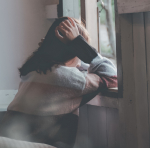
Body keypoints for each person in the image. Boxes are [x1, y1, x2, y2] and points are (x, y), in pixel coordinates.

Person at [0, 17, 117, 148]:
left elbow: (76, 68)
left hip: (7, 141)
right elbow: (112, 76)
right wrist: (81, 45)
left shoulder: (34, 70)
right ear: (76, 51)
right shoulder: (67, 78)